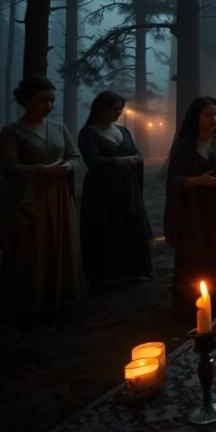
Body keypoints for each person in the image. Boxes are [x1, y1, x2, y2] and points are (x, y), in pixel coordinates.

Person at [0, 75, 84, 326]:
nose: (49, 105)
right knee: (34, 249)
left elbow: (74, 154)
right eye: (42, 100)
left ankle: (62, 297)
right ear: (25, 100)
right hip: (31, 199)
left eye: (52, 100)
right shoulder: (12, 132)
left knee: (61, 243)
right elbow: (9, 168)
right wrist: (42, 170)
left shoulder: (58, 128)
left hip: (58, 196)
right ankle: (32, 303)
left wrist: (68, 165)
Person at [164, 96, 216, 319]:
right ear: (196, 116)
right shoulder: (183, 145)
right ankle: (195, 304)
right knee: (197, 256)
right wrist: (198, 180)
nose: (213, 119)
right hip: (195, 212)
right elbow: (173, 180)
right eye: (207, 114)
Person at [78, 91, 153, 287]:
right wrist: (122, 160)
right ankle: (105, 274)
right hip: (102, 191)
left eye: (121, 108)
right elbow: (92, 161)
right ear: (101, 108)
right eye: (115, 108)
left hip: (128, 187)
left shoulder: (124, 131)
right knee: (106, 227)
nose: (119, 112)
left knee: (131, 224)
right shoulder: (88, 133)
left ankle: (135, 269)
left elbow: (135, 150)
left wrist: (136, 158)